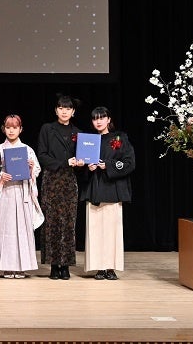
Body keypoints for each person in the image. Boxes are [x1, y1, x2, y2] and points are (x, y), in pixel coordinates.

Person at [81, 106, 136, 280]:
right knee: (95, 230)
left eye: (101, 118)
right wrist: (88, 168)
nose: (98, 121)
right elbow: (80, 167)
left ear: (108, 120)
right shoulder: (88, 141)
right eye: (95, 118)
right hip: (95, 189)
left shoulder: (119, 138)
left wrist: (109, 165)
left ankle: (111, 267)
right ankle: (99, 267)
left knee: (112, 231)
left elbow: (130, 163)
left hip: (113, 188)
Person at [37, 93, 85, 280]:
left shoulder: (78, 133)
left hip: (69, 181)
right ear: (56, 110)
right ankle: (53, 265)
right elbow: (42, 155)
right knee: (51, 223)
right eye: (61, 108)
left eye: (68, 108)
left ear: (73, 112)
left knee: (68, 223)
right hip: (51, 180)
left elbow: (82, 158)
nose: (64, 111)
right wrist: (64, 162)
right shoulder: (47, 129)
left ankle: (65, 265)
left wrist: (81, 163)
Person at [0, 114, 43, 278]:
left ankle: (22, 266)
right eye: (8, 127)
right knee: (6, 228)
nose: (11, 131)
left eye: (15, 127)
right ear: (4, 129)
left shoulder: (27, 150)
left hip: (22, 192)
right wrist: (1, 176)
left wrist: (31, 168)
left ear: (20, 129)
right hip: (6, 191)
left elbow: (37, 170)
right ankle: (7, 266)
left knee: (22, 229)